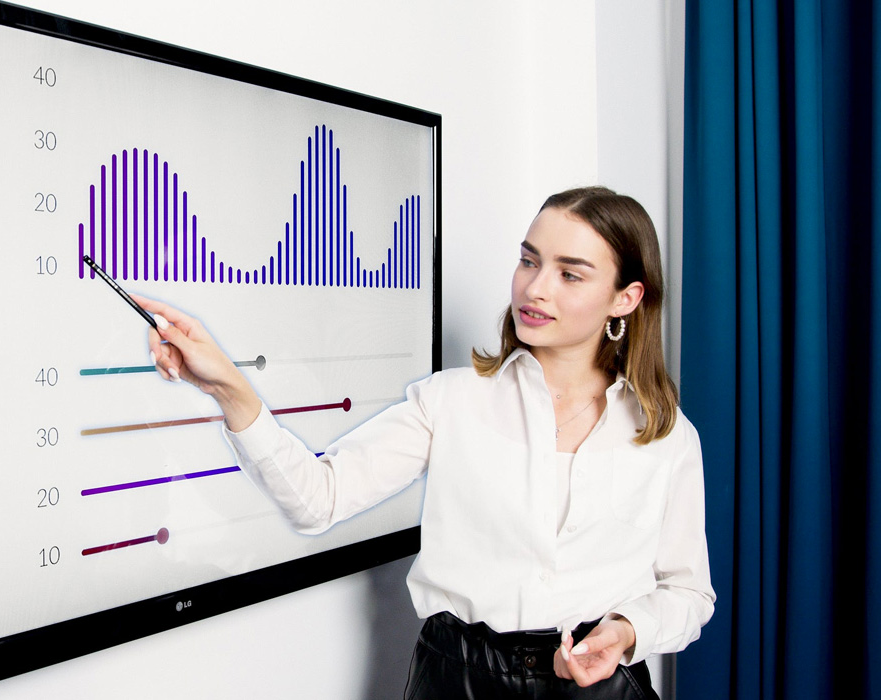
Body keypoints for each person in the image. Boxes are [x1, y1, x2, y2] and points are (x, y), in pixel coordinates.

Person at [133, 186, 714, 699]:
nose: (535, 288)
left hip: (600, 690)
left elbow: (688, 593)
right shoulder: (451, 400)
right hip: (457, 681)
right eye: (528, 260)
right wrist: (230, 388)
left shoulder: (666, 438)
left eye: (570, 273)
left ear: (626, 299)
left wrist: (627, 631)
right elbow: (317, 499)